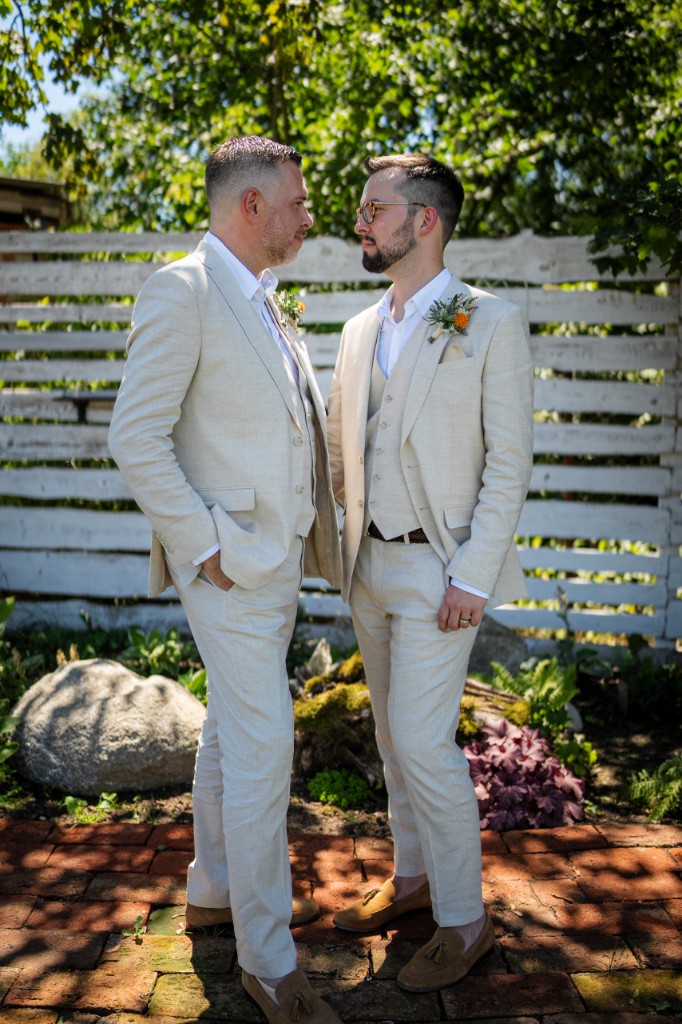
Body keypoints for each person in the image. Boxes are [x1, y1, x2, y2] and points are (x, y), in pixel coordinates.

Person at [108, 136, 343, 1024]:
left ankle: (211, 887)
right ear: (251, 205)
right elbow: (136, 434)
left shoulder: (264, 298)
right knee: (263, 748)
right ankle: (269, 960)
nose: (308, 216)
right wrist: (207, 545)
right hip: (232, 566)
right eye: (297, 202)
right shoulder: (185, 290)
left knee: (228, 734)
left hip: (271, 562)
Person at [327, 153, 534, 992]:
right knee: (388, 737)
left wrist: (474, 578)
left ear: (426, 221)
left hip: (442, 570)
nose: (360, 221)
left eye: (375, 208)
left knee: (422, 741)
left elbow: (510, 464)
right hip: (366, 567)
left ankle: (465, 919)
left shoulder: (490, 321)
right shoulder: (356, 330)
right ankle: (412, 879)